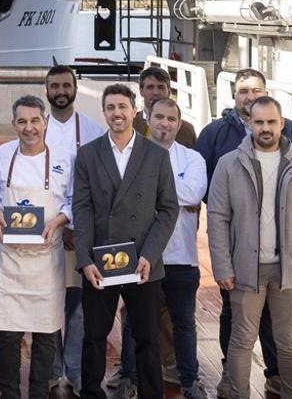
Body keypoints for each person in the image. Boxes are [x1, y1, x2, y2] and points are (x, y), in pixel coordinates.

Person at [195, 68, 292, 397]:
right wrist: (222, 267)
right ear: (249, 123)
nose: (265, 128)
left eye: (271, 122)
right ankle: (238, 393)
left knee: (289, 341)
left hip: (288, 269)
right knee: (242, 340)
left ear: (282, 124)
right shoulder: (228, 163)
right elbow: (218, 218)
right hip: (244, 269)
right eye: (259, 122)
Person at [73, 84, 178, 399]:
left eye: (122, 106)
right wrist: (85, 260)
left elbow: (168, 208)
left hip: (142, 262)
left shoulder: (156, 155)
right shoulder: (88, 154)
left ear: (135, 110)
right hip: (100, 262)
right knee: (93, 337)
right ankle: (91, 393)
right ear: (104, 112)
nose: (116, 113)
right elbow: (82, 208)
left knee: (147, 338)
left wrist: (149, 255)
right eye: (110, 107)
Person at [115, 98, 209, 399]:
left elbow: (195, 191)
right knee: (134, 323)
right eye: (158, 117)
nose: (164, 123)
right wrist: (172, 194)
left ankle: (189, 380)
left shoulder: (194, 160)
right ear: (146, 118)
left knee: (184, 324)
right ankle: (128, 378)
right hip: (141, 256)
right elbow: (124, 198)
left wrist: (149, 190)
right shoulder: (129, 156)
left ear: (178, 124)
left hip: (182, 257)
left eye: (171, 119)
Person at [0, 96, 72, 399]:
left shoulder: (63, 159)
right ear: (14, 124)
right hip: (10, 259)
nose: (29, 127)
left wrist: (59, 220)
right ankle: (9, 394)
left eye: (35, 120)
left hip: (47, 260)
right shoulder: (1, 156)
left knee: (46, 334)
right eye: (22, 121)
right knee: (7, 334)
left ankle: (38, 393)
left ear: (45, 122)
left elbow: (74, 201)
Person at [44, 65, 106, 396]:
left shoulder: (94, 130)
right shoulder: (36, 128)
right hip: (48, 231)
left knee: (80, 306)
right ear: (46, 90)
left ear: (75, 88)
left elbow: (97, 185)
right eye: (54, 85)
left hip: (84, 232)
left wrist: (78, 228)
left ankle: (76, 368)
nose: (61, 90)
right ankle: (52, 368)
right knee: (52, 301)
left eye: (66, 84)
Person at [132, 67, 197, 147]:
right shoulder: (130, 125)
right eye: (150, 87)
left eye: (161, 87)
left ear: (169, 91)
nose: (155, 92)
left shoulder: (186, 130)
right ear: (141, 91)